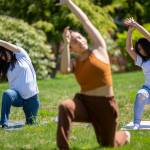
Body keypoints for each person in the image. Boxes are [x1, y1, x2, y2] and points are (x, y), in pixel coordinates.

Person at [56, 0, 130, 149]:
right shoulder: (75, 62)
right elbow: (64, 70)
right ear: (71, 49)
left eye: (81, 38)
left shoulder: (99, 49)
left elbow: (85, 21)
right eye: (75, 41)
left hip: (105, 105)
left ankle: (124, 135)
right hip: (84, 102)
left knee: (108, 144)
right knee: (65, 107)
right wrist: (65, 42)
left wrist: (69, 3)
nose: (80, 41)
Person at [0, 40, 40, 128]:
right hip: (17, 97)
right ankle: (4, 123)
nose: (3, 57)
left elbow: (8, 45)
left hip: (32, 98)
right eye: (0, 56)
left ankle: (30, 119)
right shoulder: (5, 67)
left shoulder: (21, 55)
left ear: (8, 50)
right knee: (7, 94)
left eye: (3, 54)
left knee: (31, 123)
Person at [124, 18, 150, 130]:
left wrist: (136, 25)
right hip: (148, 90)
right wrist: (130, 32)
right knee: (140, 94)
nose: (140, 51)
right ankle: (136, 123)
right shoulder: (142, 61)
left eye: (141, 48)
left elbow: (148, 36)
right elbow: (129, 48)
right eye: (138, 49)